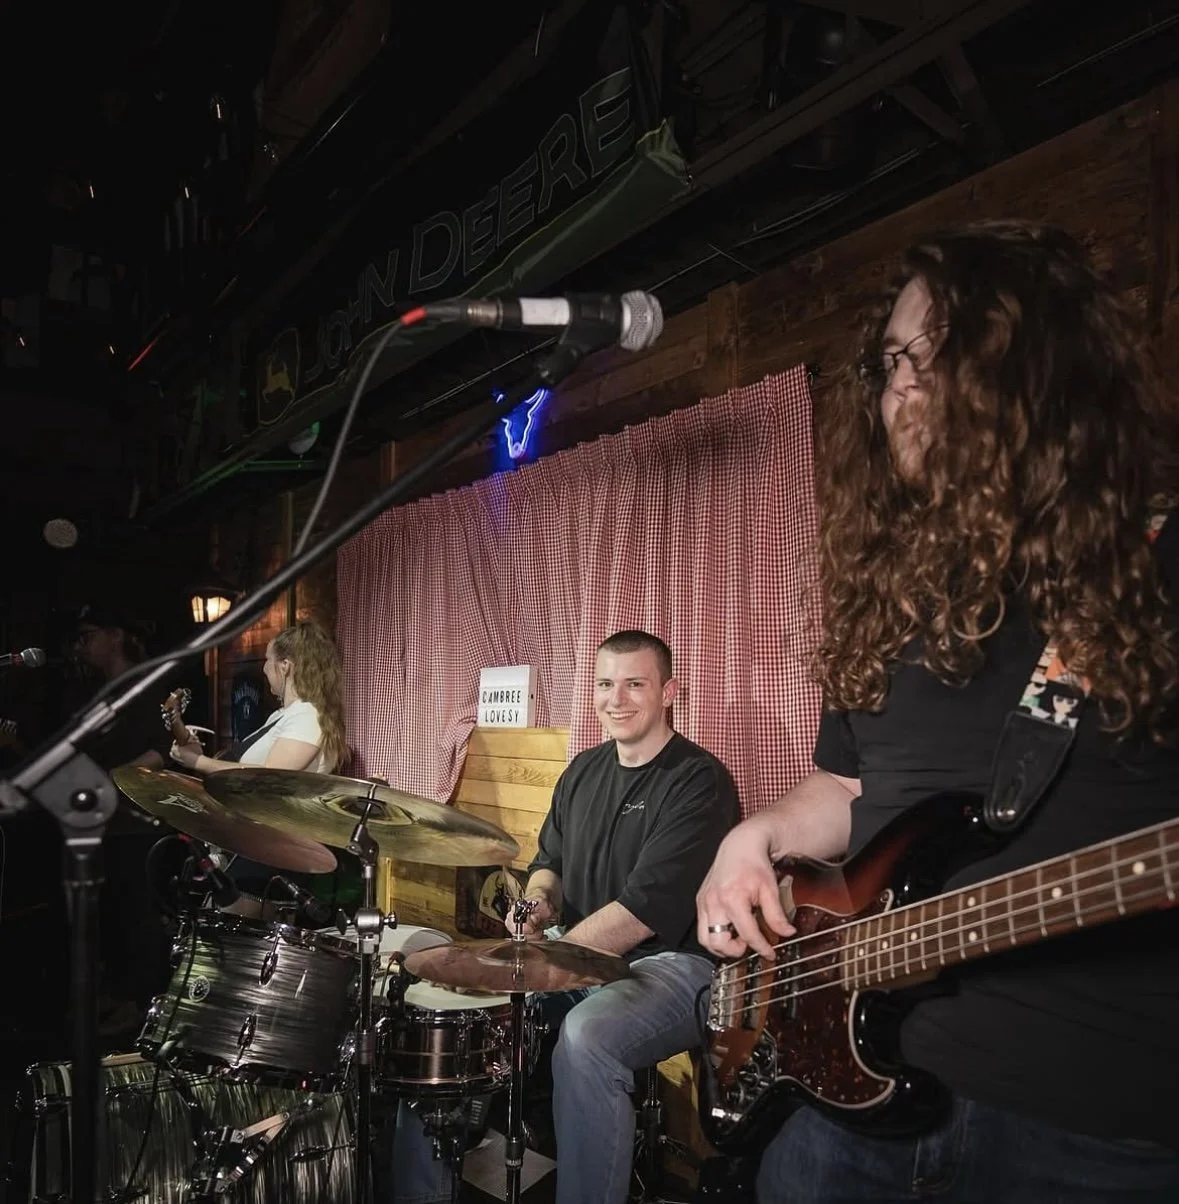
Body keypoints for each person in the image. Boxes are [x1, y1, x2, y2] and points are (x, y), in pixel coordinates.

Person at [696, 221, 1179, 1202]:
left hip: (1092, 1136)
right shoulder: (893, 591)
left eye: (937, 355)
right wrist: (756, 834)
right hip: (854, 1113)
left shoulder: (1155, 562)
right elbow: (847, 780)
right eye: (889, 364)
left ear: (1038, 365)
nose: (901, 389)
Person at [170, 619, 350, 904]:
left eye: (268, 660)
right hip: (253, 842)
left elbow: (265, 777)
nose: (264, 668)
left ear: (286, 665)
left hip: (274, 848)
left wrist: (199, 762)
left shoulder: (307, 716)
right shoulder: (281, 716)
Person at [73, 601, 180, 1035]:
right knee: (109, 917)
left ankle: (139, 1006)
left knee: (139, 918)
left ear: (115, 636)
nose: (81, 648)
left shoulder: (145, 685)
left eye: (88, 637)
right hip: (103, 825)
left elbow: (163, 749)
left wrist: (115, 781)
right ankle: (114, 999)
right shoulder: (95, 693)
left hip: (139, 823)